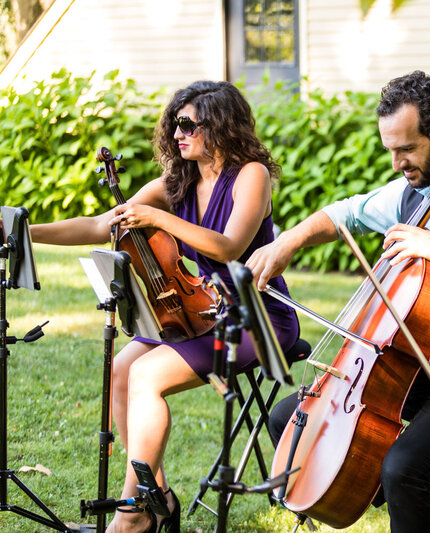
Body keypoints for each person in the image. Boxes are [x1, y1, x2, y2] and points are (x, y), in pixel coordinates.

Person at [245, 70, 430, 533]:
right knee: (291, 420)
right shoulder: (410, 194)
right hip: (405, 362)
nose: (395, 163)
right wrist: (287, 242)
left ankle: (417, 502)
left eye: (406, 149)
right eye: (390, 149)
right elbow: (344, 213)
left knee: (402, 467)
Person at [30, 81, 299, 533]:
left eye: (189, 124)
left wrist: (158, 217)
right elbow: (101, 225)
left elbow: (229, 246)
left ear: (221, 125)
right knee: (122, 370)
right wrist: (23, 231)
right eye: (176, 124)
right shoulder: (178, 183)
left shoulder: (250, 174)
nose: (178, 133)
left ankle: (131, 515)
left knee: (147, 375)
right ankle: (158, 499)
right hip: (200, 310)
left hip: (256, 316)